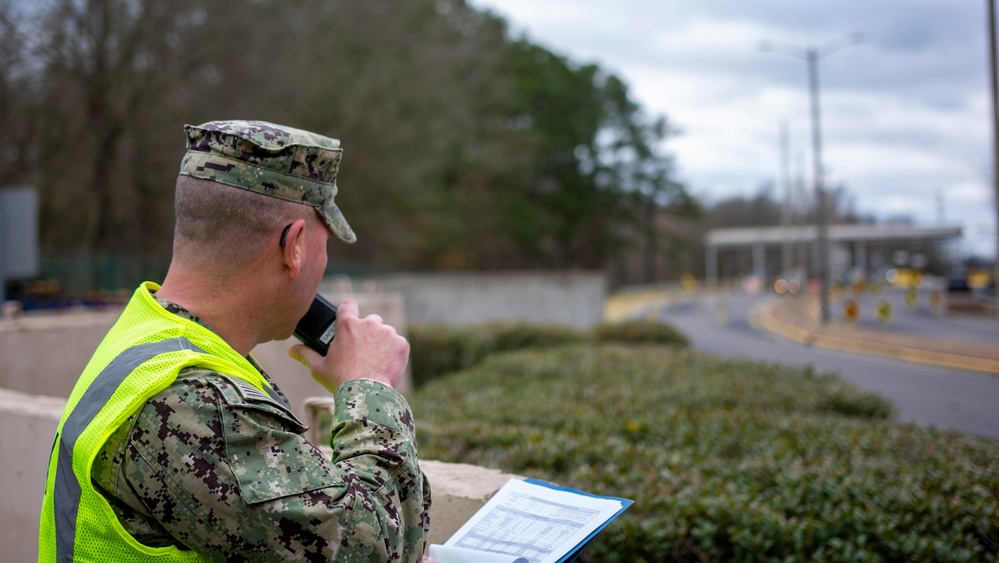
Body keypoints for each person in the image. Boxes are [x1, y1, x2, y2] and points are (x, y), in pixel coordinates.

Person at [38, 120, 431, 562]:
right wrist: (369, 385)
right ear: (295, 247)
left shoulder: (149, 335)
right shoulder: (192, 401)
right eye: (326, 244)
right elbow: (376, 551)